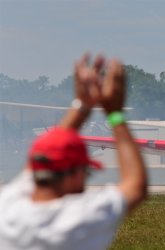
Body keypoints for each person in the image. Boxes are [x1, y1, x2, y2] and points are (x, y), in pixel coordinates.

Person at [0, 54, 147, 250]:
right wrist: (114, 113)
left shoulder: (7, 206)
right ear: (73, 174)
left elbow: (41, 159)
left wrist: (82, 104)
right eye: (86, 172)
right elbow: (136, 186)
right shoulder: (76, 220)